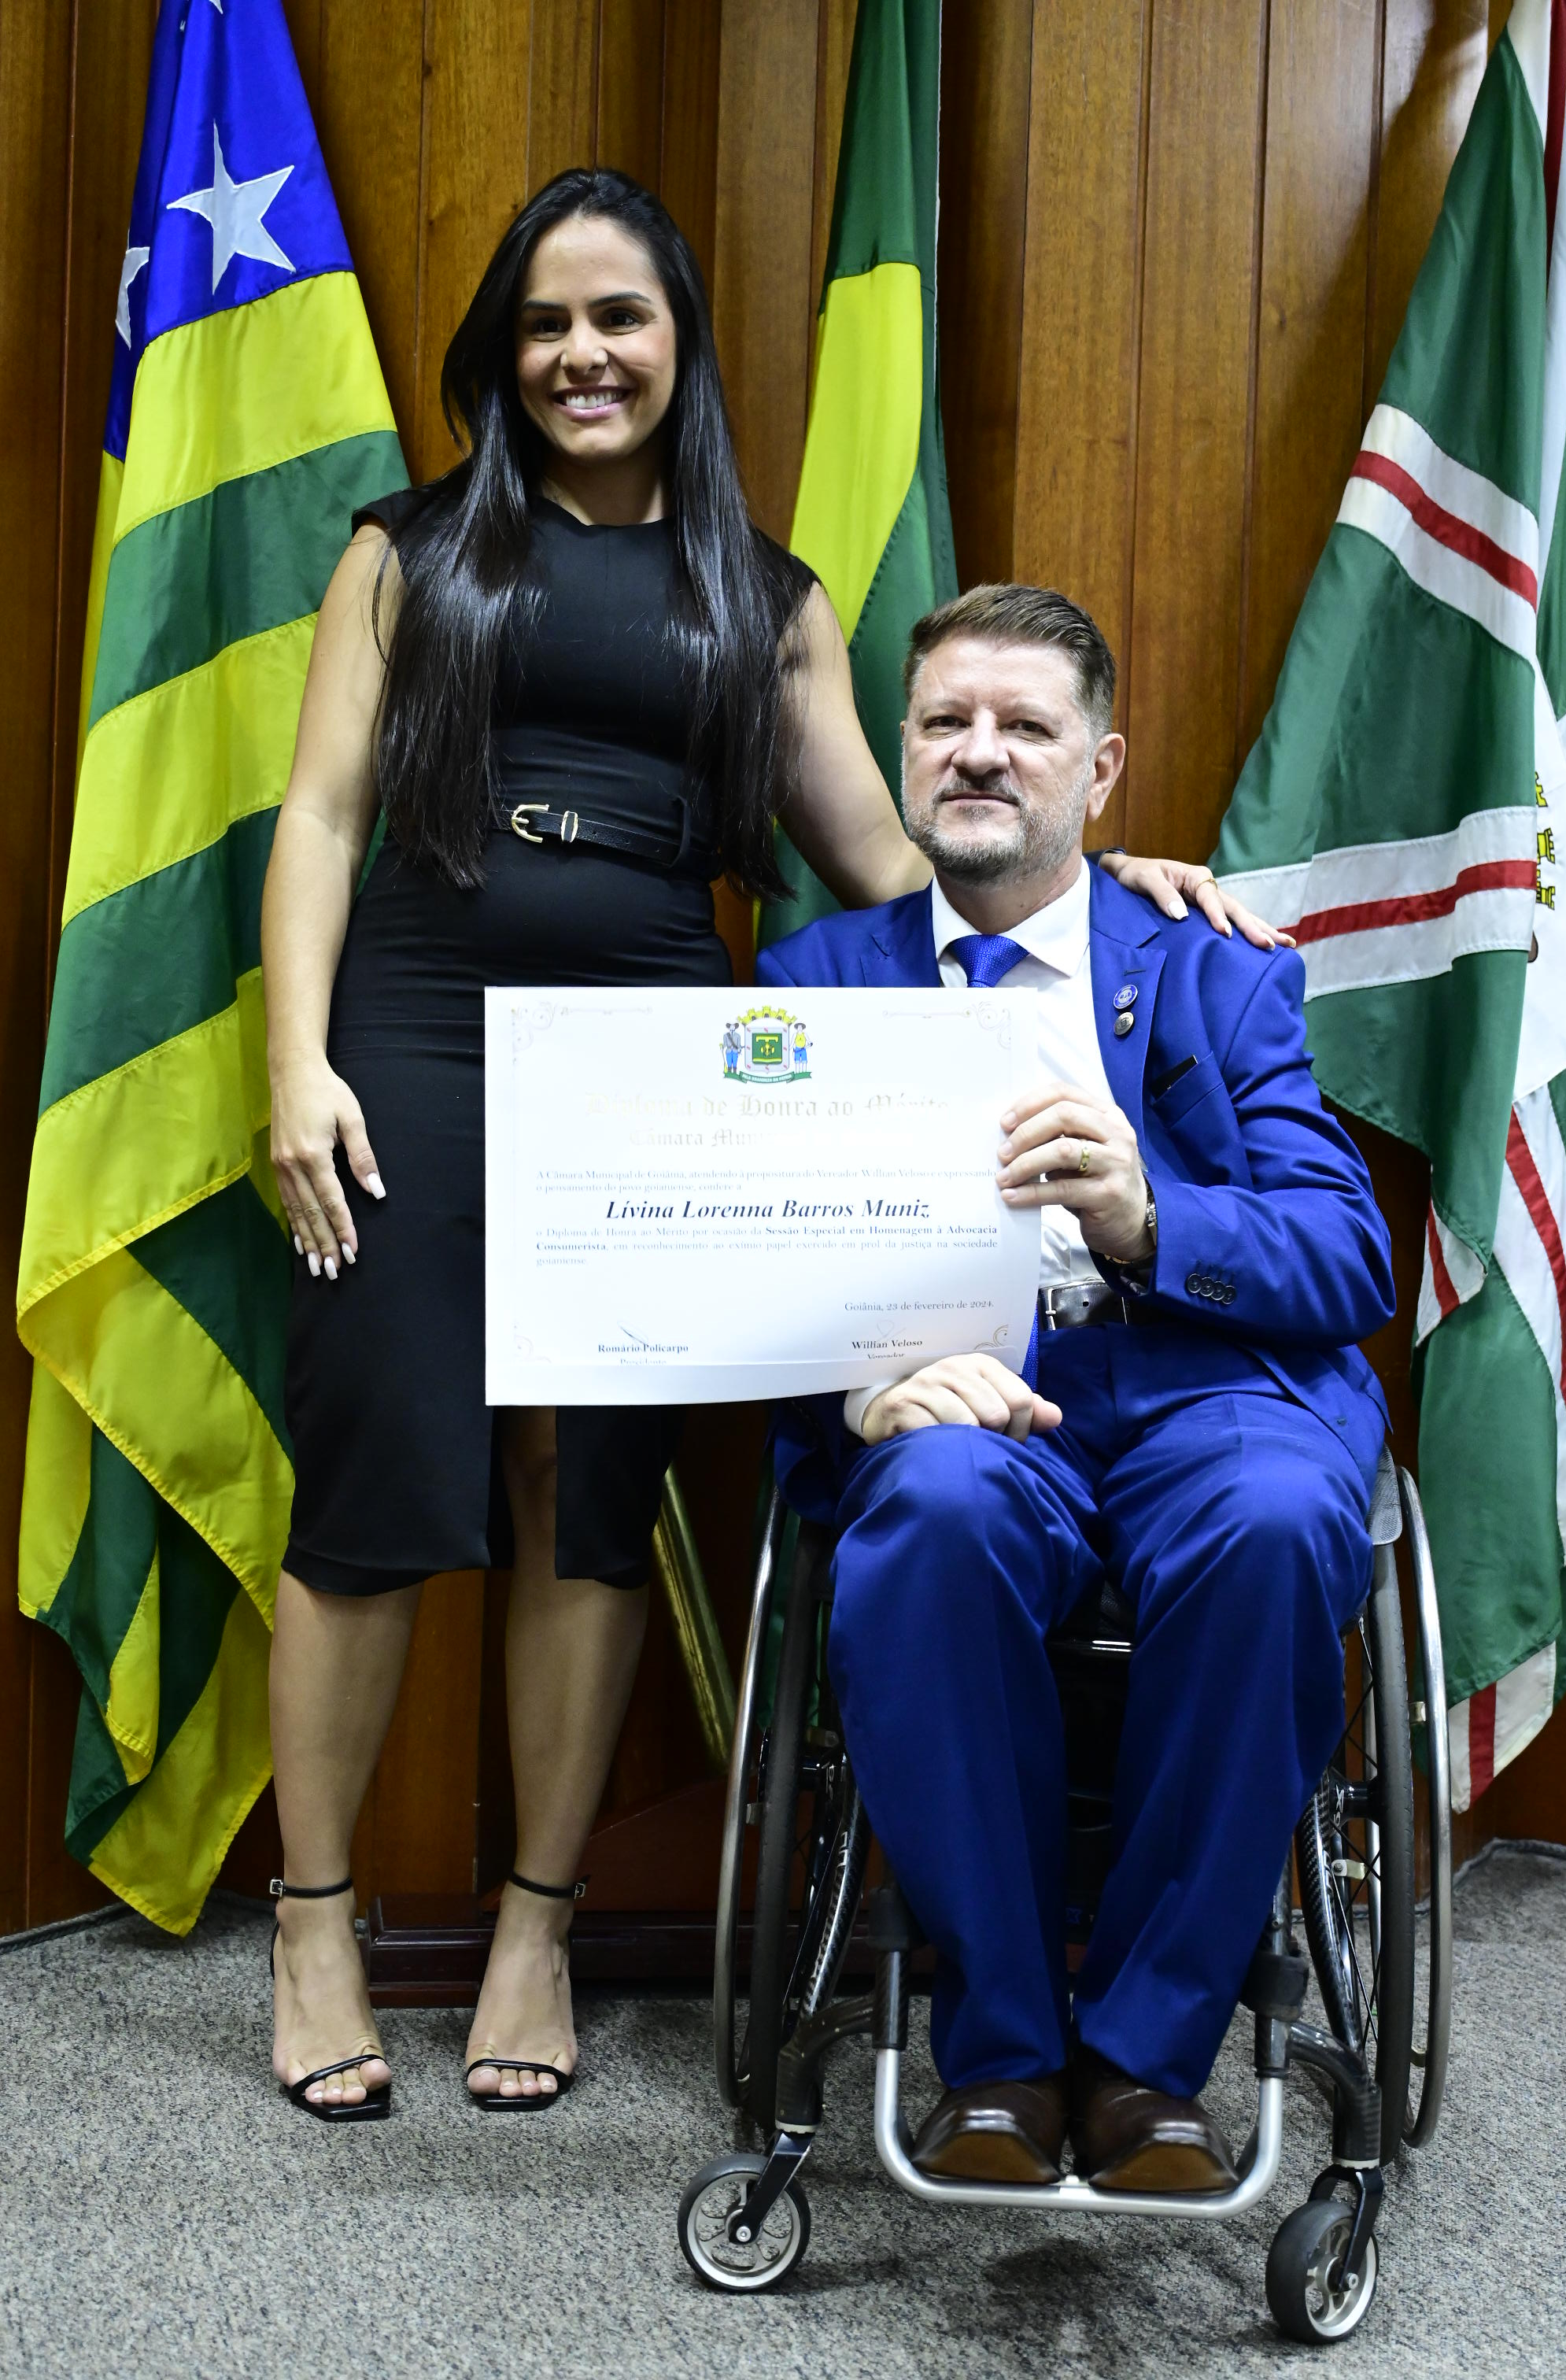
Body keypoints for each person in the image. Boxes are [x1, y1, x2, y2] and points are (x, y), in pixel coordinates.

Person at [260, 166, 1284, 2122]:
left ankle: (537, 1931)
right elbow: (318, 815)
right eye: (546, 323)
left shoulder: (769, 596)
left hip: (660, 1048)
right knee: (375, 1483)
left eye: (618, 318)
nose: (581, 355)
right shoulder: (408, 551)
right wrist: (295, 1062)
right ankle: (316, 1931)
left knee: (587, 1486)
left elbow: (896, 862)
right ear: (503, 349)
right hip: (414, 1029)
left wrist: (1100, 877)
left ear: (680, 344)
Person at [757, 582, 1394, 2190]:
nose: (980, 752)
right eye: (946, 722)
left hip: (1207, 1395)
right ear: (904, 750)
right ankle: (1003, 2055)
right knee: (931, 1507)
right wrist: (853, 1393)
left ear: (1099, 771)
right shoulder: (816, 979)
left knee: (1273, 1522)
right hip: (974, 1393)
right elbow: (750, 1262)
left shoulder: (1217, 968)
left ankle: (1145, 2067)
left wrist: (1151, 1216)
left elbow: (1346, 1258)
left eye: (1025, 727)